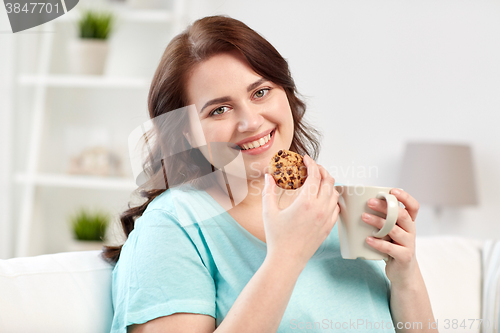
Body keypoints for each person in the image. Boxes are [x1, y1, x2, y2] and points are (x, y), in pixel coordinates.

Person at [103, 15, 437, 333]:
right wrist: (286, 256)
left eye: (261, 92)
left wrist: (404, 272)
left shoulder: (340, 206)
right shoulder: (172, 225)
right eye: (219, 110)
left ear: (286, 95)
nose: (251, 122)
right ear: (187, 133)